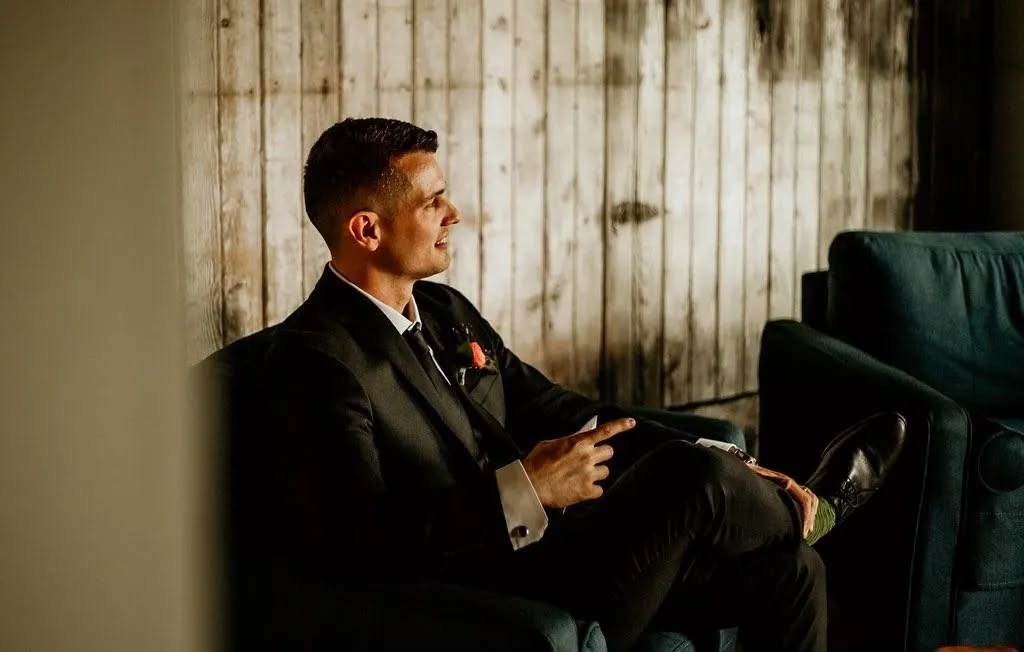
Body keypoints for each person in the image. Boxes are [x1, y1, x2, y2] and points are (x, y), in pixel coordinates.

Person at [265, 117, 907, 651]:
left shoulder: (444, 310)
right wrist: (527, 489)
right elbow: (360, 540)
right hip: (492, 593)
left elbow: (562, 410)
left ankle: (789, 516)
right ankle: (815, 509)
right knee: (693, 480)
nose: (453, 214)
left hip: (568, 547)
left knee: (793, 570)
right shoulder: (316, 361)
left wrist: (739, 462)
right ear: (367, 230)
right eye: (431, 201)